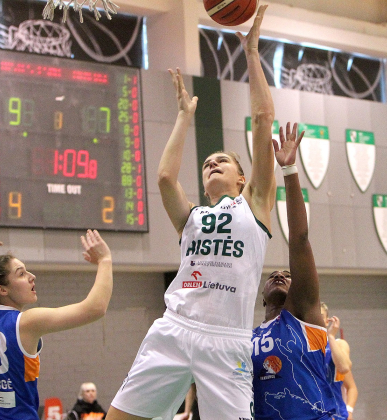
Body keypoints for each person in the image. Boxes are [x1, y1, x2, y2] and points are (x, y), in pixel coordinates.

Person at [107, 6, 276, 420]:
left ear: (242, 177)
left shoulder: (255, 204)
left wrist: (251, 54)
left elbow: (262, 119)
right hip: (175, 328)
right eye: (207, 163)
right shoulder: (192, 217)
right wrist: (184, 117)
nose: (212, 163)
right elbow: (165, 177)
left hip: (227, 340)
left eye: (223, 161)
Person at [0, 224, 113, 420]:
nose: (32, 276)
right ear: (2, 289)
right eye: (21, 274)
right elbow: (95, 309)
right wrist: (105, 260)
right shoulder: (26, 322)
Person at [251, 123, 337, 419]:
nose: (279, 276)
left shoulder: (304, 314)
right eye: (272, 276)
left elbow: (299, 241)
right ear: (262, 296)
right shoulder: (247, 336)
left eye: (287, 275)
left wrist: (288, 172)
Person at [321, 303, 358, 420]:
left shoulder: (338, 344)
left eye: (320, 316)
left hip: (336, 414)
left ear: (327, 321)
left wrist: (349, 411)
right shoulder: (300, 347)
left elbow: (351, 384)